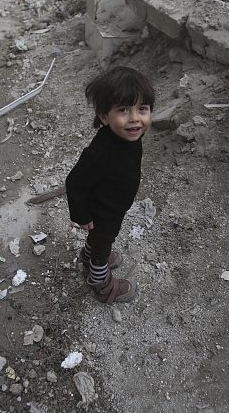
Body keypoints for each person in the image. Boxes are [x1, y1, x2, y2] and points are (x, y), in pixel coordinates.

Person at [65, 67, 155, 304]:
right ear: (104, 116)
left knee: (99, 241)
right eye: (123, 110)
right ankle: (101, 282)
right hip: (103, 212)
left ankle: (88, 255)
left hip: (113, 204)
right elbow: (74, 182)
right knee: (103, 245)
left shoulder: (129, 135)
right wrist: (81, 215)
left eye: (142, 109)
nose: (135, 118)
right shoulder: (100, 152)